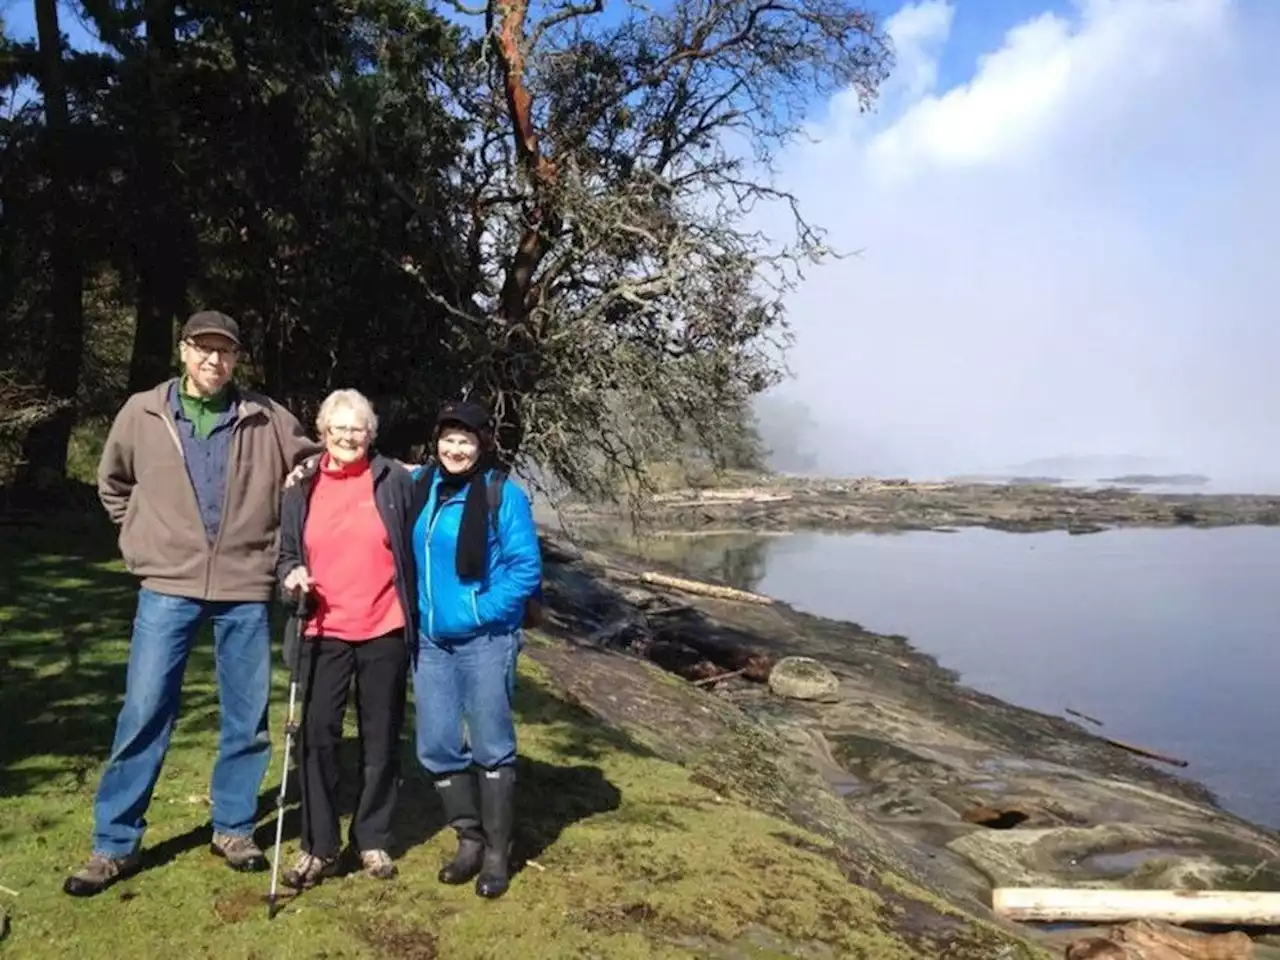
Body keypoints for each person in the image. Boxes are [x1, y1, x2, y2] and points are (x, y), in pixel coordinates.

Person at [64, 311, 321, 897]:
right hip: (167, 587)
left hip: (243, 588)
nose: (214, 361)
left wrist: (295, 487)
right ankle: (114, 844)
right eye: (204, 350)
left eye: (225, 353)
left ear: (237, 360)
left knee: (246, 715)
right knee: (145, 711)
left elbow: (312, 461)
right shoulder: (143, 412)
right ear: (183, 351)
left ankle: (233, 828)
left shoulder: (266, 416)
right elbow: (114, 483)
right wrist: (141, 539)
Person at [275, 389, 416, 888]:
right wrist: (292, 574)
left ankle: (372, 837)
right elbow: (286, 552)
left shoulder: (395, 479)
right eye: (339, 429)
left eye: (357, 429)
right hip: (321, 627)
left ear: (371, 434)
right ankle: (319, 845)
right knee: (316, 738)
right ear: (323, 432)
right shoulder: (302, 484)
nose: (348, 437)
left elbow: (421, 535)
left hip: (384, 626)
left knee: (380, 738)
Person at [410, 400, 541, 899]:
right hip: (431, 639)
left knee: (490, 742)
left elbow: (525, 568)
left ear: (483, 443)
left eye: (466, 440)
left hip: (486, 638)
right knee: (438, 743)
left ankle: (496, 854)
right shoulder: (422, 486)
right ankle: (468, 837)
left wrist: (480, 610)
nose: (456, 449)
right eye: (449, 438)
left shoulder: (501, 495)